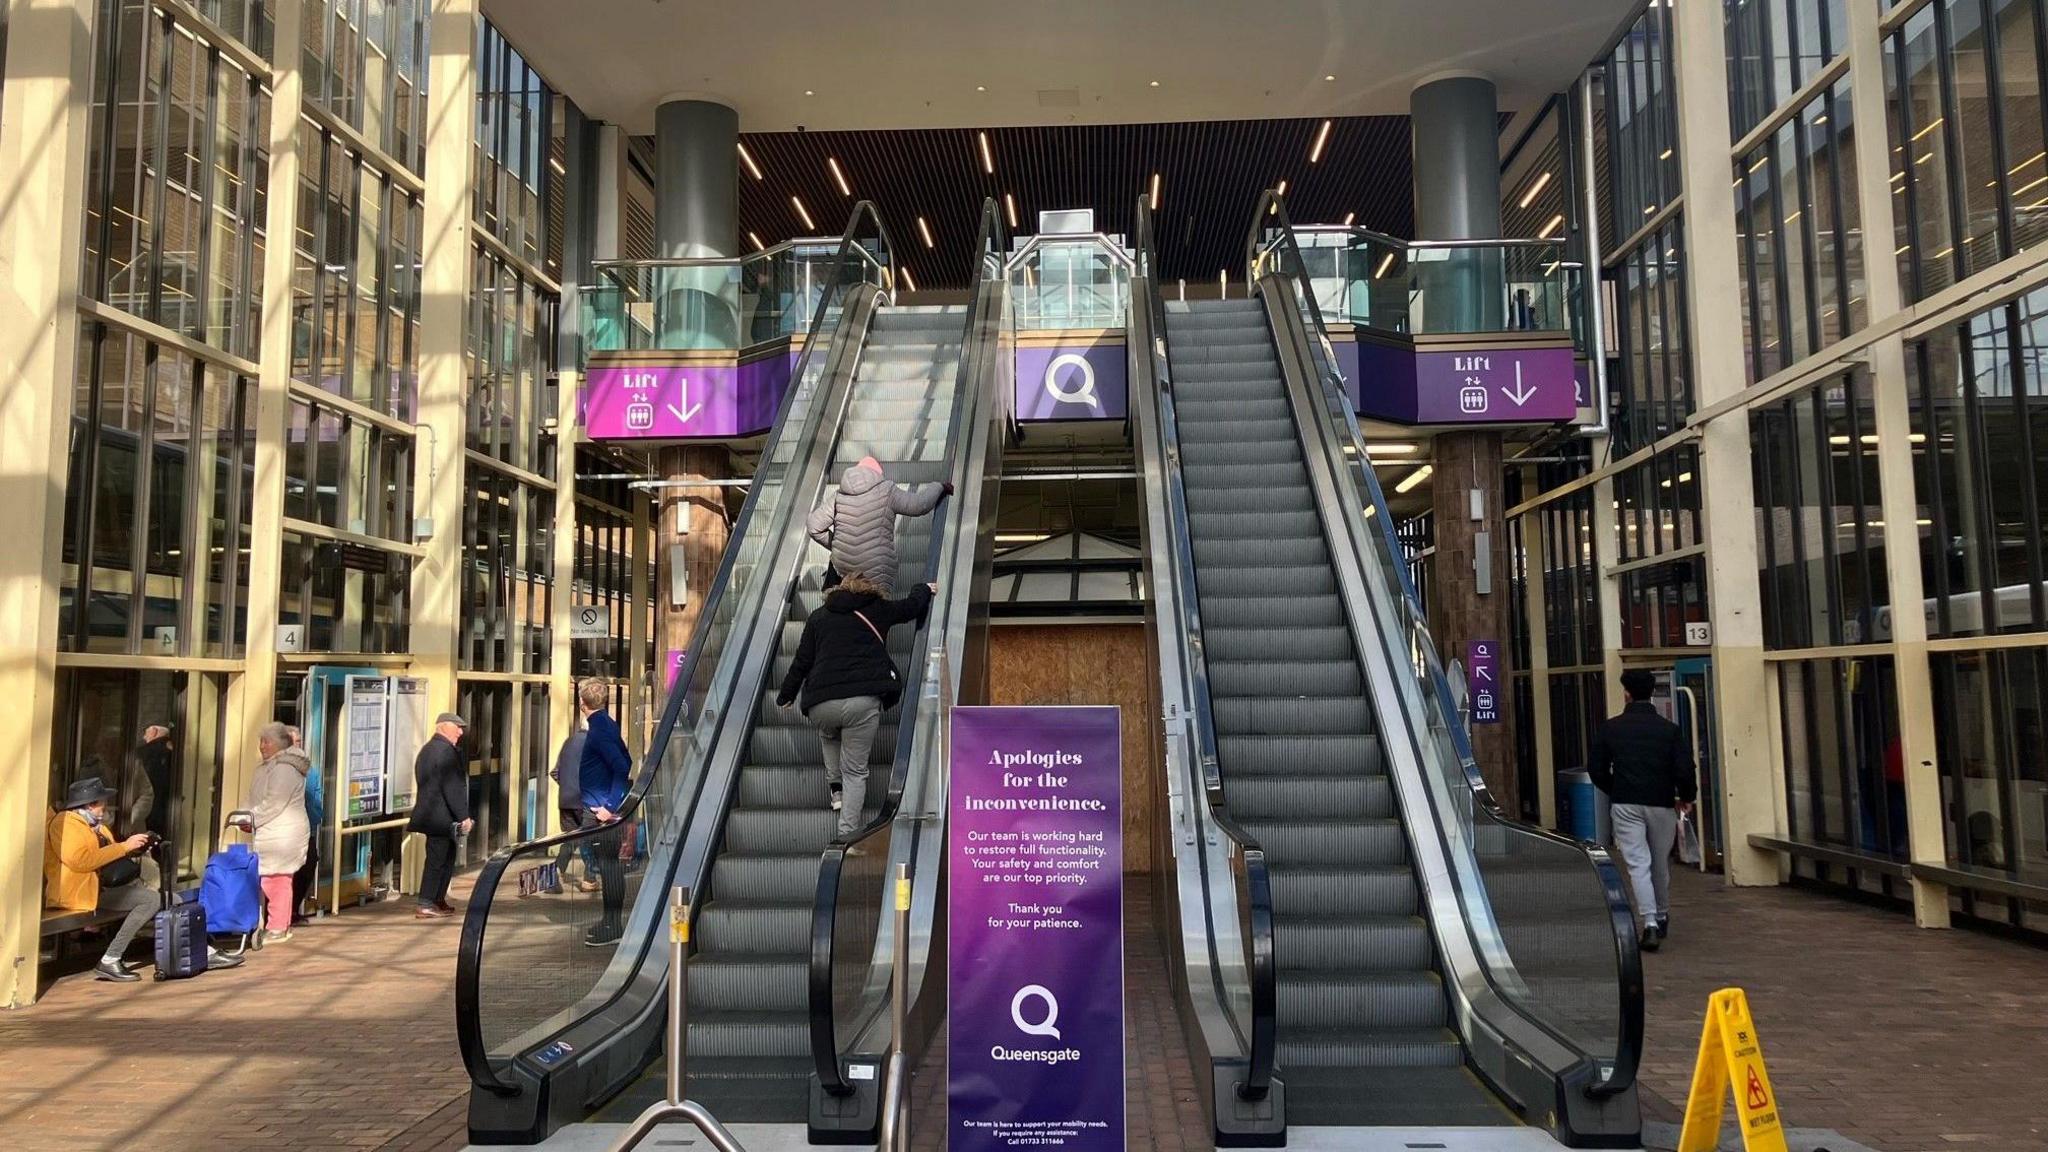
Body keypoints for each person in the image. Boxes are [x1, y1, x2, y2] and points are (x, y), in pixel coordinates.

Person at [777, 573, 935, 836]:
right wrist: (923, 588)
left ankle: (835, 788)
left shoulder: (818, 616)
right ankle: (846, 835)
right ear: (869, 590)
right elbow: (910, 608)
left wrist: (786, 694)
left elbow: (802, 660)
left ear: (837, 590)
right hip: (862, 701)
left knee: (828, 732)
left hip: (821, 702)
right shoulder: (877, 608)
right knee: (856, 771)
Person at [43, 776, 243, 982]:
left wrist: (137, 848)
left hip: (104, 889)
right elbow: (80, 861)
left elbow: (110, 857)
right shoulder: (65, 823)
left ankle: (203, 951)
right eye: (102, 803)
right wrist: (123, 847)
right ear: (89, 804)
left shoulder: (97, 827)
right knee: (151, 900)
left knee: (173, 899)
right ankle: (111, 958)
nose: (106, 807)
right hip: (80, 895)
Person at [1588, 669, 1697, 952]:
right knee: (1659, 862)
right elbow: (1685, 769)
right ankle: (1661, 916)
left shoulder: (1611, 729)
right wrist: (1686, 797)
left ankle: (1648, 923)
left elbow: (1596, 769)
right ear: (1651, 694)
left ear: (1627, 693)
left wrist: (1616, 789)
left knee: (1638, 864)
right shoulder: (1669, 730)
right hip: (1661, 803)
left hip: (1625, 803)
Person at [804, 456, 950, 594]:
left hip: (845, 568)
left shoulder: (840, 494)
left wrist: (839, 546)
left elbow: (813, 527)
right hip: (878, 569)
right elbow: (919, 505)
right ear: (877, 474)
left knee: (847, 609)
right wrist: (939, 487)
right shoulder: (886, 490)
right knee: (875, 611)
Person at [578, 682, 634, 946]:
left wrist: (609, 807)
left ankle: (613, 926)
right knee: (609, 867)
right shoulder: (608, 724)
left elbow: (622, 766)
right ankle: (610, 921)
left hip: (602, 811)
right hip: (603, 807)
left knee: (609, 868)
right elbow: (628, 759)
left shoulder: (599, 731)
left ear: (582, 703)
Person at [247, 722, 312, 944]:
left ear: (279, 745)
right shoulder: (266, 767)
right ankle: (275, 924)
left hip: (283, 834)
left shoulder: (284, 769)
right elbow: (256, 799)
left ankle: (278, 927)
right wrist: (245, 816)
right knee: (272, 879)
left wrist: (251, 818)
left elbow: (275, 802)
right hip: (271, 831)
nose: (262, 746)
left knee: (277, 879)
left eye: (267, 742)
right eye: (261, 741)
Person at [408, 712, 472, 920]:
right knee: (437, 860)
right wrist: (464, 816)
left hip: (434, 815)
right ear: (443, 726)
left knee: (446, 857)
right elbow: (452, 786)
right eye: (457, 727)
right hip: (440, 817)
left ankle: (437, 899)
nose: (461, 732)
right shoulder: (445, 752)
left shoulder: (428, 750)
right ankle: (426, 902)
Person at [548, 712, 590, 893]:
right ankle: (589, 879)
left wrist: (567, 787)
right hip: (586, 801)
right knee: (591, 838)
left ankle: (556, 872)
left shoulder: (568, 743)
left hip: (565, 800)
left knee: (571, 838)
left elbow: (555, 772)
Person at [286, 725, 322, 926]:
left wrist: (316, 817)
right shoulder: (275, 769)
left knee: (309, 865)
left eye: (298, 741)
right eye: (291, 741)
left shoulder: (311, 771)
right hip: (285, 830)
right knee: (285, 873)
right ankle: (284, 914)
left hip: (306, 828)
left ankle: (292, 909)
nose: (295, 745)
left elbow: (315, 798)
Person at [123, 723, 173, 837]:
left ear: (154, 732)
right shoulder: (175, 752)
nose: (144, 738)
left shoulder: (140, 754)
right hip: (167, 806)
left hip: (146, 812)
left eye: (146, 734)